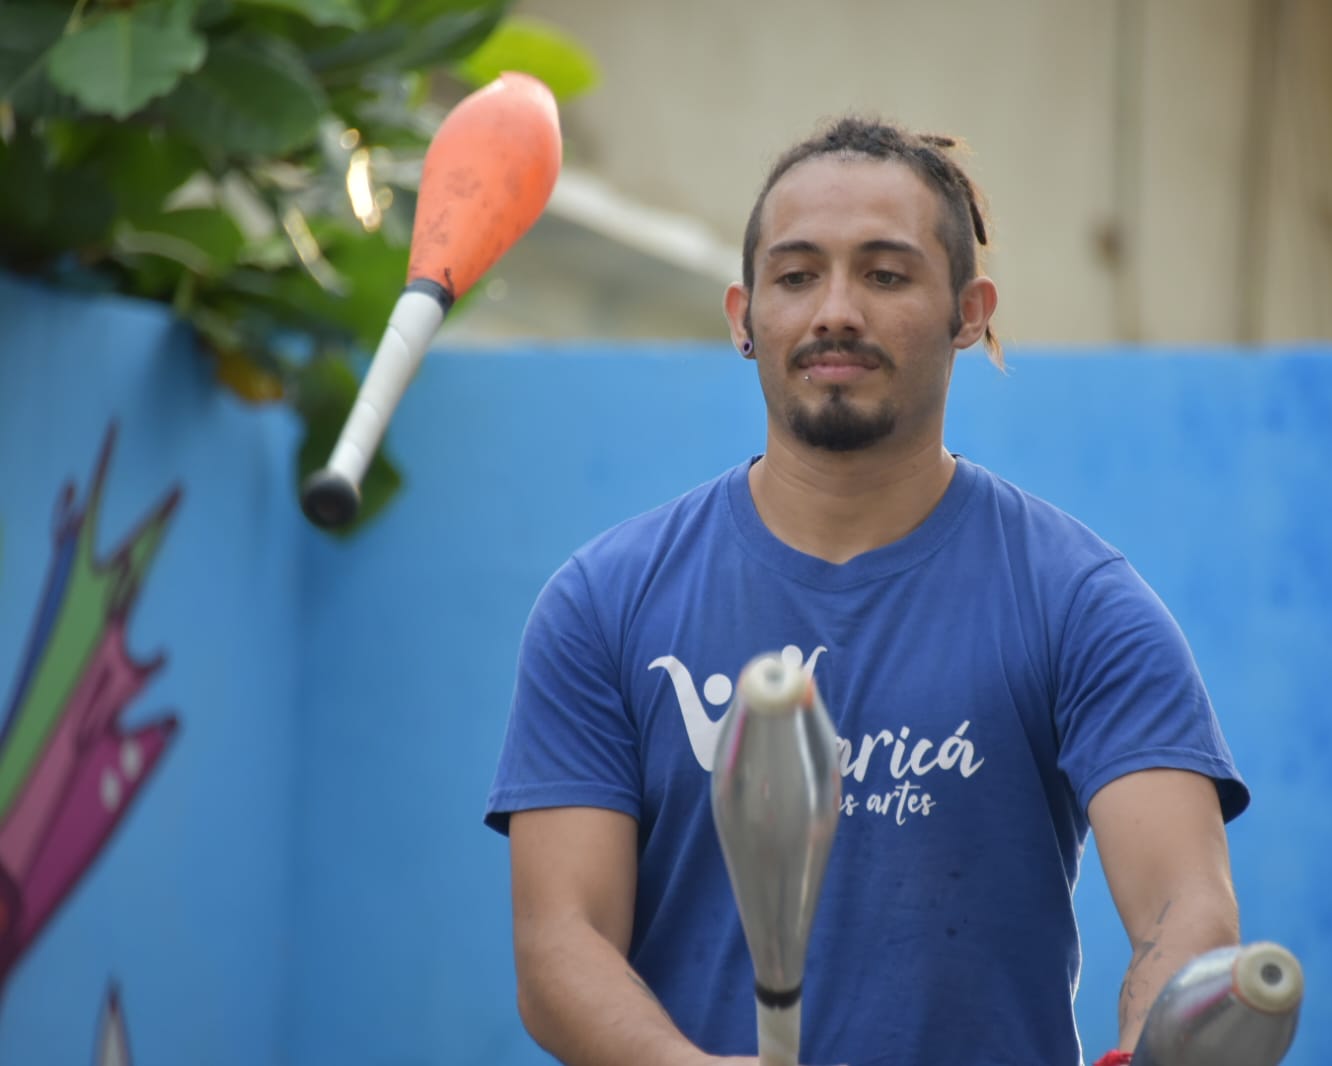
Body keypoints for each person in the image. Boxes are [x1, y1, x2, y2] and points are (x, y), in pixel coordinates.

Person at [485, 115, 1250, 1066]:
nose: (835, 311)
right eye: (796, 276)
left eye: (885, 276)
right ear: (742, 316)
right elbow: (559, 946)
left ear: (968, 313)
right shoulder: (604, 604)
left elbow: (1185, 910)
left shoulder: (1082, 606)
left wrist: (1149, 1048)